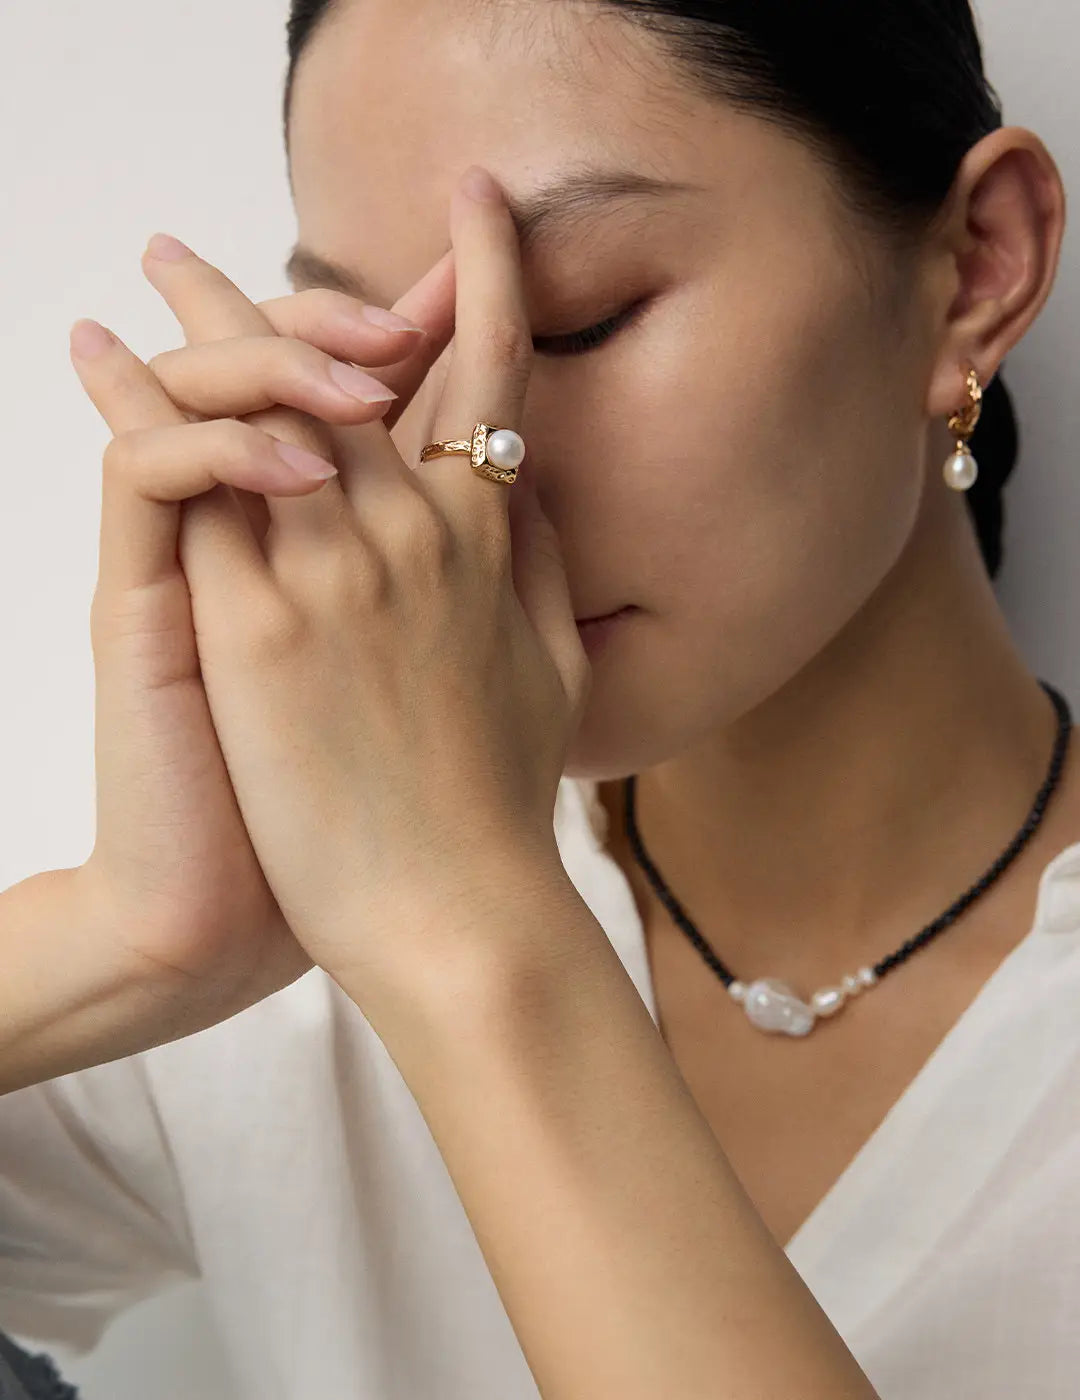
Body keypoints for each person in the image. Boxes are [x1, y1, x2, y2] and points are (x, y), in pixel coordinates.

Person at [1, 1, 1078, 1396]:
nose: (464, 462)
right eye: (379, 349)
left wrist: (462, 924)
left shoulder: (406, 898)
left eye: (568, 321)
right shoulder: (298, 951)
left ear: (976, 265)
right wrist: (128, 941)